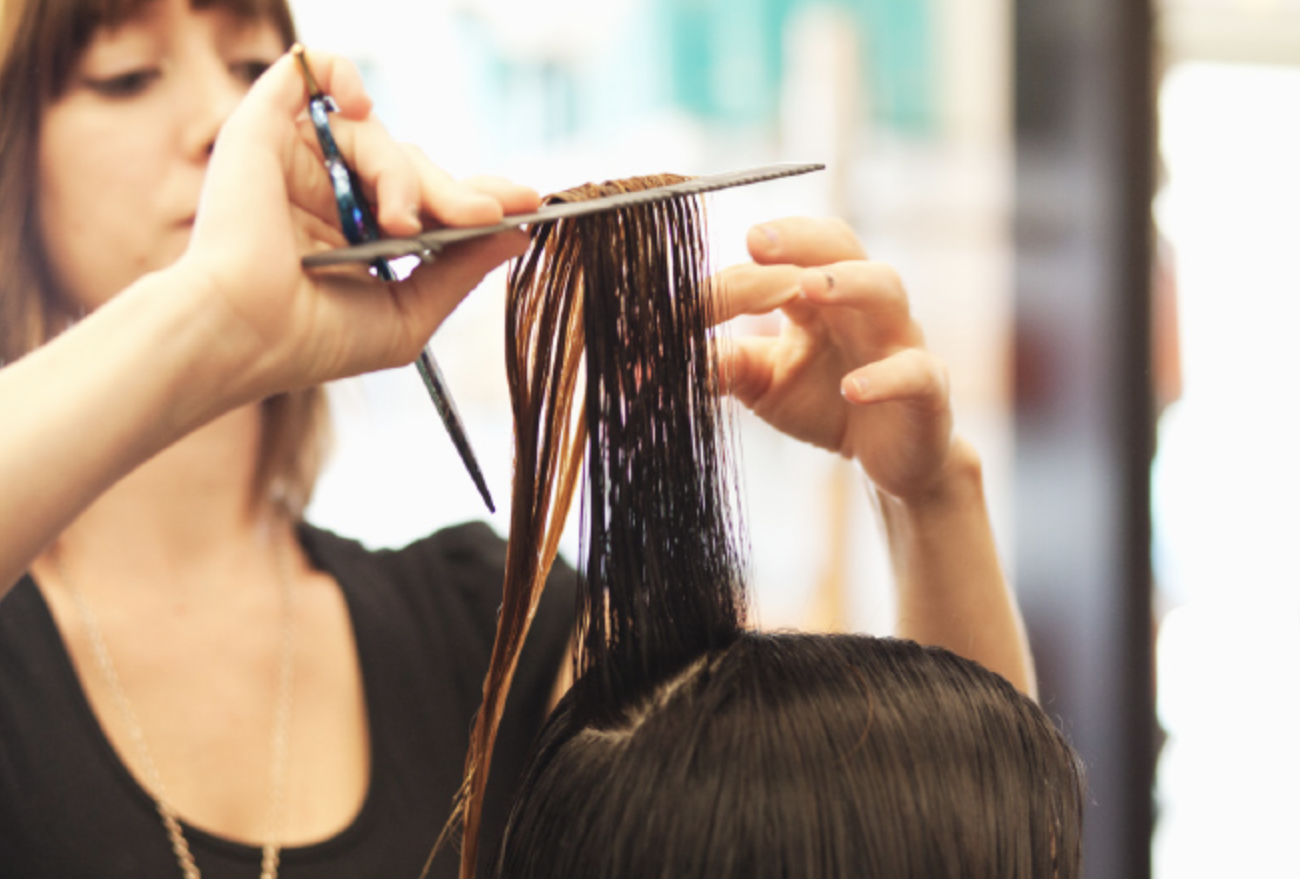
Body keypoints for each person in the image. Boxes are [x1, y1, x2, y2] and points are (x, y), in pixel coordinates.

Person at [0, 0, 1033, 877]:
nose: (223, 124)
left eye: (250, 70)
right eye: (125, 77)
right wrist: (213, 317)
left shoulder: (481, 636)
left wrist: (931, 497)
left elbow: (936, 839)